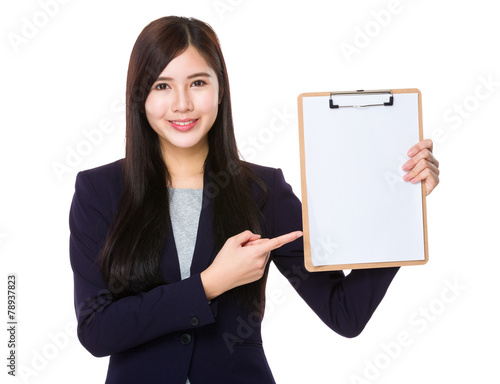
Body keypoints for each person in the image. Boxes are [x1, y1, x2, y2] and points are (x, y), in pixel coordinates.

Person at [68, 16, 440, 384]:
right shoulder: (99, 191)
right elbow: (97, 330)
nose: (181, 104)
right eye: (162, 86)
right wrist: (210, 283)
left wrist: (401, 205)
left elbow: (345, 312)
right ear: (140, 95)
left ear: (220, 89)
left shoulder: (262, 189)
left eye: (198, 82)